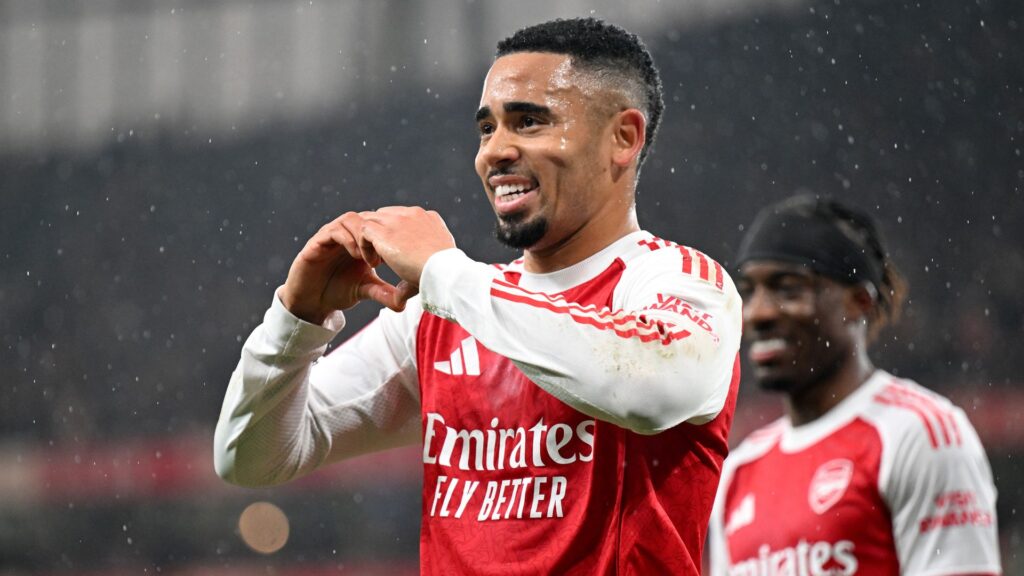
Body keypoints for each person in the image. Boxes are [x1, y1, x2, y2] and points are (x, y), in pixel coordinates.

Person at [214, 17, 743, 574]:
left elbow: (648, 389)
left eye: (530, 122)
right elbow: (249, 458)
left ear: (623, 137)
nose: (495, 152)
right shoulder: (438, 316)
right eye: (487, 129)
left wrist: (447, 273)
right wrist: (294, 322)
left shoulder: (677, 282)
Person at [708, 195, 1002, 575]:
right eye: (749, 291)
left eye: (788, 288)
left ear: (859, 302)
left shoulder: (920, 434)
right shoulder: (739, 471)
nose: (758, 312)